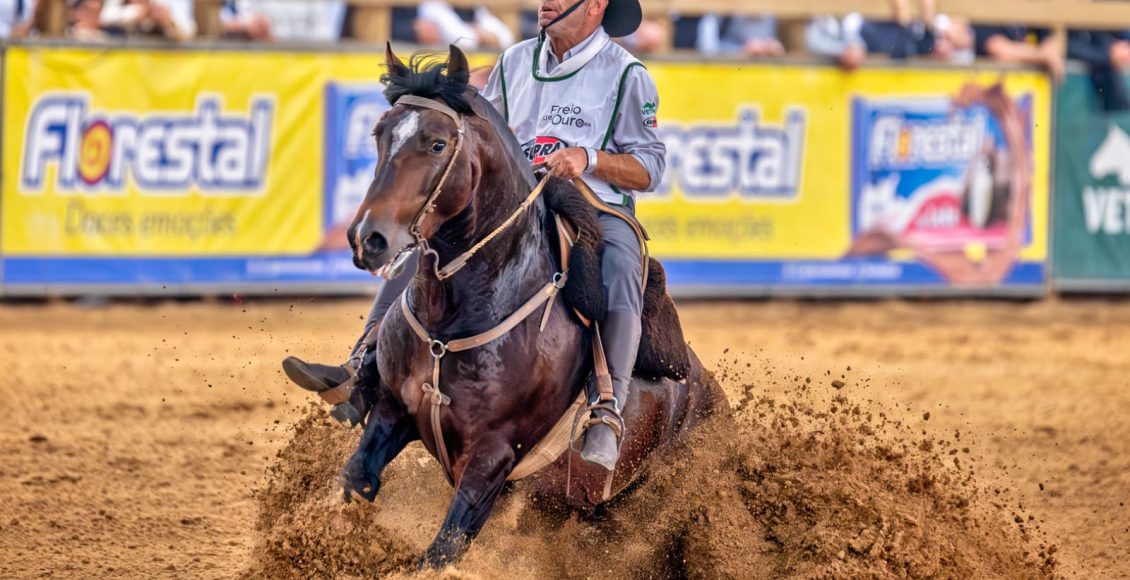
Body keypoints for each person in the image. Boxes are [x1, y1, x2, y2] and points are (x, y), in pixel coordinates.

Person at [283, 0, 663, 474]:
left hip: (593, 205)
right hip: (514, 201)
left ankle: (608, 406)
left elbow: (650, 166)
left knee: (623, 265)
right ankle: (363, 370)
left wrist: (589, 158)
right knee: (425, 245)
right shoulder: (515, 61)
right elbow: (480, 130)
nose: (547, 1)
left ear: (597, 6)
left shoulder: (628, 74)